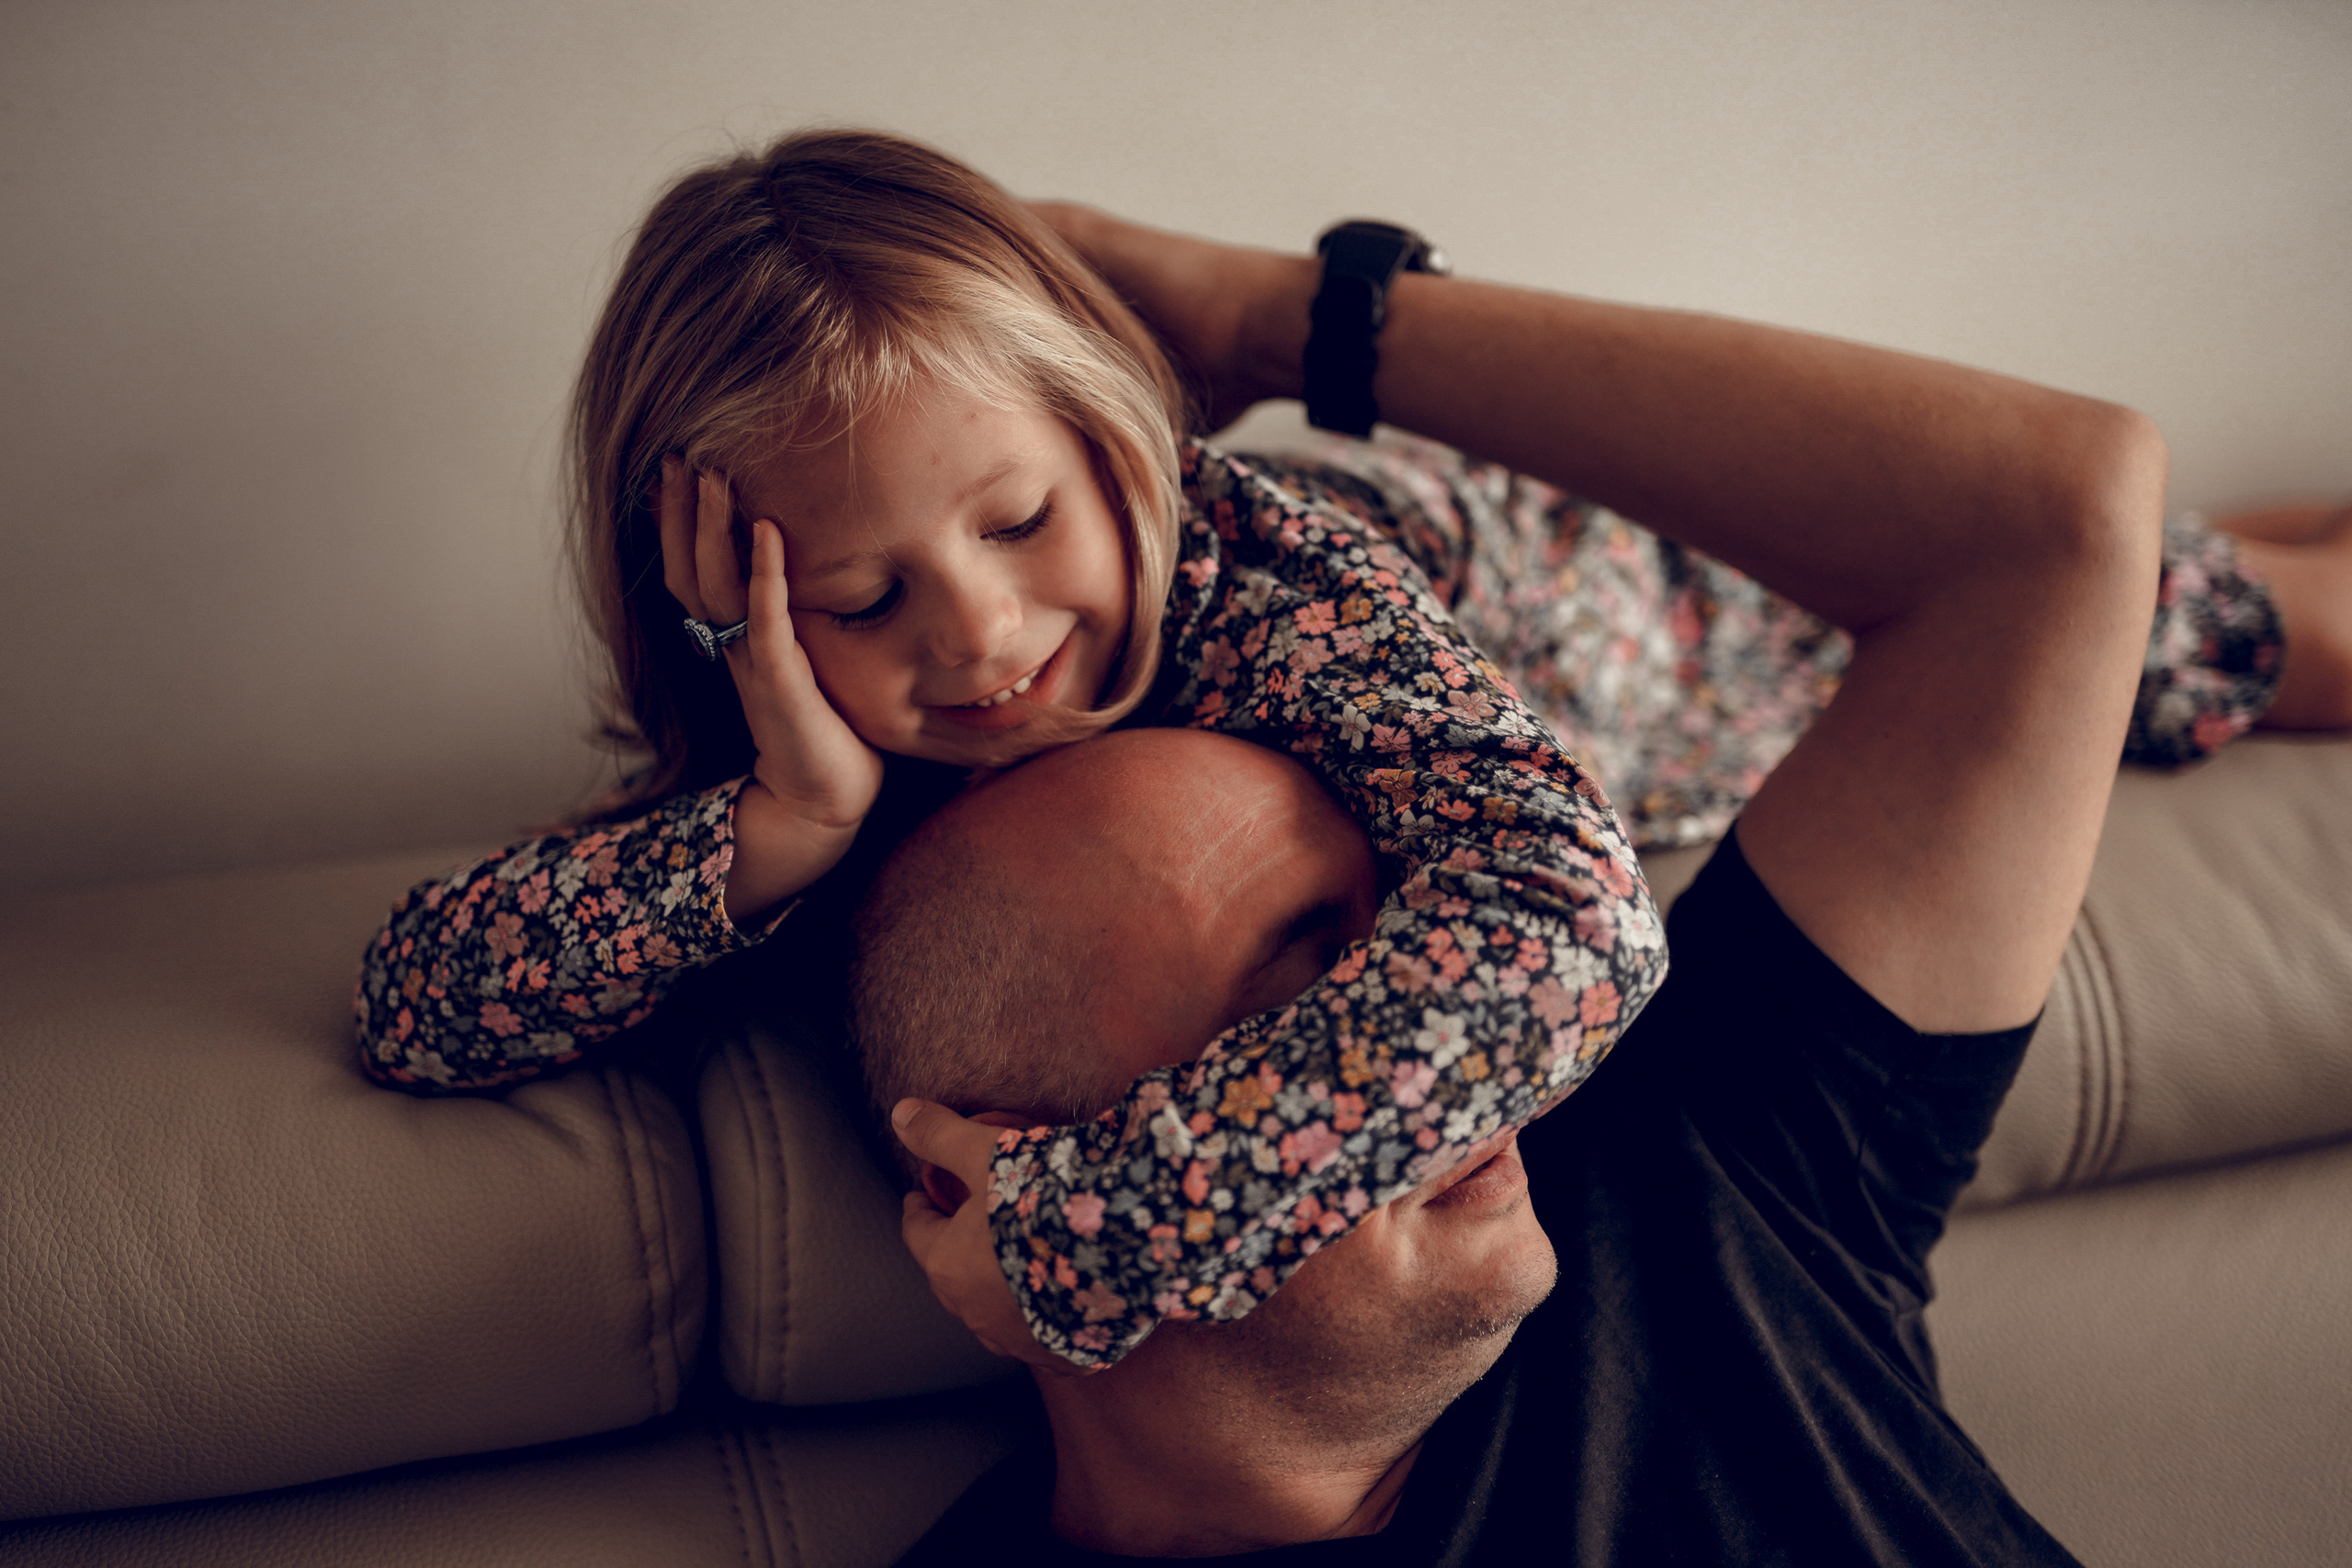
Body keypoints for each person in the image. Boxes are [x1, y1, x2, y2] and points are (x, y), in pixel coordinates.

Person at [352, 127, 2335, 1369]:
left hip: (1626, 630)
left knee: (2218, 625)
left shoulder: (1268, 574)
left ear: (1122, 449)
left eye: (1024, 521)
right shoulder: (787, 774)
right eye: (856, 599)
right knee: (2217, 578)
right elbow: (421, 1005)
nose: (977, 637)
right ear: (723, 603)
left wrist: (1100, 1221)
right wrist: (774, 819)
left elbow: (1572, 938)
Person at [858, 727, 2081, 1562]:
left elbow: (2056, 533)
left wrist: (1286, 345)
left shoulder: (1684, 1155)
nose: (1470, 1047)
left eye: (1432, 948)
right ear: (1006, 1184)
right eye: (1330, 996)